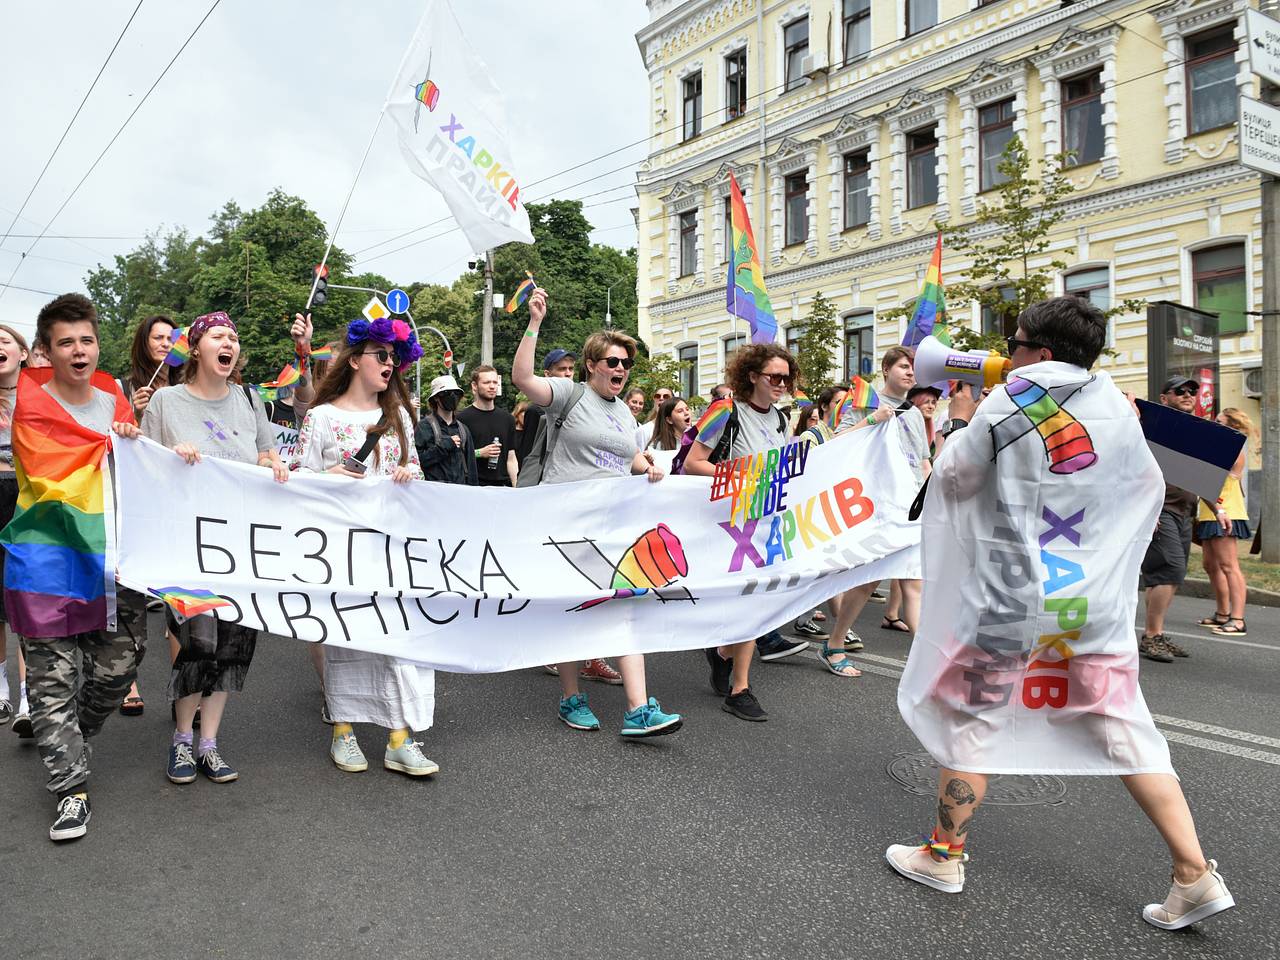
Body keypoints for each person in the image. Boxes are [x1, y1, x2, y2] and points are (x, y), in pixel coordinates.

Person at [889, 296, 1234, 930]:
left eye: (1015, 344)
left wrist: (965, 420)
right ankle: (1193, 873)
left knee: (973, 716)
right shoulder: (1117, 405)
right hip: (1087, 605)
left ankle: (944, 856)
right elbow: (1147, 487)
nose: (1007, 355)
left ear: (1041, 354)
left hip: (1008, 606)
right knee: (1123, 725)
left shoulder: (1007, 402)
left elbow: (954, 481)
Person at [512, 288, 682, 737]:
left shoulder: (625, 415)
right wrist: (534, 323)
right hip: (566, 522)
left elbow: (627, 457)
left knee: (626, 606)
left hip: (612, 524)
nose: (621, 369)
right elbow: (523, 378)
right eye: (612, 361)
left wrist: (646, 465)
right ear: (592, 365)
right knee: (577, 609)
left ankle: (638, 710)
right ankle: (571, 698)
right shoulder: (569, 395)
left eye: (626, 363)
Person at [4, 294, 141, 841]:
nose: (78, 351)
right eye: (66, 343)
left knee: (120, 667)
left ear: (97, 346)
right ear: (46, 351)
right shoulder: (29, 407)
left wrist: (139, 447)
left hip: (111, 557)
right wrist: (104, 452)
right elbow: (46, 475)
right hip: (44, 559)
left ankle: (69, 737)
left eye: (86, 340)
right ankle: (70, 789)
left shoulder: (114, 397)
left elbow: (137, 473)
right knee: (50, 682)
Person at [141, 311, 289, 787]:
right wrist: (171, 459)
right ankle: (183, 739)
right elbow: (140, 466)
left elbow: (267, 454)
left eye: (235, 337)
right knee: (198, 642)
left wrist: (273, 464)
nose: (231, 343)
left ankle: (210, 743)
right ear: (198, 348)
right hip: (187, 546)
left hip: (241, 548)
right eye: (220, 336)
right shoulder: (166, 401)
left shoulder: (251, 401)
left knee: (233, 648)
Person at [296, 316, 438, 777]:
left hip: (391, 546)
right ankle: (344, 730)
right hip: (339, 547)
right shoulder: (321, 418)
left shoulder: (397, 419)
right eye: (381, 355)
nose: (389, 364)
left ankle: (400, 737)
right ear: (355, 360)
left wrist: (406, 476)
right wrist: (326, 477)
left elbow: (416, 471)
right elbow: (296, 480)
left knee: (398, 638)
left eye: (393, 358)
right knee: (345, 637)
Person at [682, 344, 816, 717]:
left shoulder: (778, 418)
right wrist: (742, 479)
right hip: (727, 523)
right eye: (775, 377)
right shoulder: (726, 411)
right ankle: (733, 673)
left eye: (787, 379)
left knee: (758, 599)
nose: (782, 384)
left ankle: (733, 672)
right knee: (747, 600)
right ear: (753, 375)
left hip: (766, 520)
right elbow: (694, 463)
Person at [1137, 377, 1200, 662]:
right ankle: (1152, 637)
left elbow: (1200, 476)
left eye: (1192, 391)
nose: (1188, 395)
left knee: (1163, 576)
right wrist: (1147, 509)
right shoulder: (1152, 428)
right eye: (1180, 391)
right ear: (1164, 398)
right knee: (1170, 569)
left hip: (1185, 511)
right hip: (1161, 510)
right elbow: (1134, 469)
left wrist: (1218, 508)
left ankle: (1155, 633)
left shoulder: (1193, 432)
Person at [1194, 407, 1254, 637]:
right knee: (1210, 565)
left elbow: (1208, 477)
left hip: (1226, 511)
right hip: (1211, 512)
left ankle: (1237, 619)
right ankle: (1222, 613)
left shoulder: (1232, 448)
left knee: (1229, 566)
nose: (1214, 424)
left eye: (1219, 421)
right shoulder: (1219, 446)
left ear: (1233, 427)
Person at [0, 324, 30, 734]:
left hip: (27, 498)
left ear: (23, 353)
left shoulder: (42, 395)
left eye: (4, 340)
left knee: (24, 600)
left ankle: (28, 696)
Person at [456, 365, 517, 487]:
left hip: (503, 487)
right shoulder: (461, 419)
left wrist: (516, 486)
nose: (492, 386)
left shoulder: (507, 418)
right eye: (487, 382)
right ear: (474, 386)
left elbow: (511, 457)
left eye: (495, 382)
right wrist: (480, 453)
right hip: (474, 486)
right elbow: (455, 456)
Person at [416, 374, 476, 484]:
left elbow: (471, 468)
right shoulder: (424, 427)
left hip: (459, 494)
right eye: (446, 393)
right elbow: (416, 462)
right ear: (436, 398)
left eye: (456, 393)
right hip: (433, 494)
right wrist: (443, 447)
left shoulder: (463, 429)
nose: (452, 396)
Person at [644, 395, 692, 473]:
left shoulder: (695, 439)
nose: (686, 413)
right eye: (680, 411)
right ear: (669, 420)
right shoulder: (658, 445)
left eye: (687, 409)